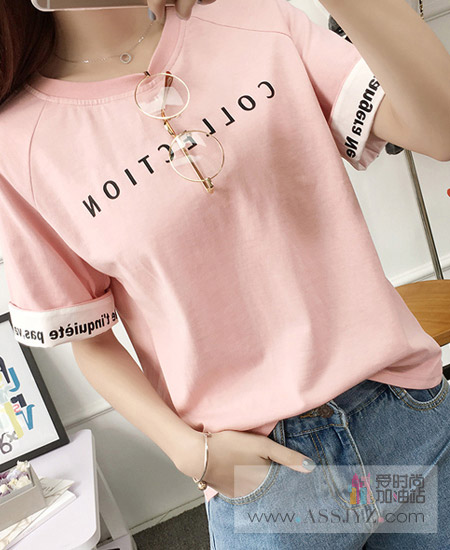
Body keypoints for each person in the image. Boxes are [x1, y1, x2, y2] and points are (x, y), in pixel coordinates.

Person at [0, 0, 449, 548]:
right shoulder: (19, 143)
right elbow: (90, 340)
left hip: (402, 413)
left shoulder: (252, 18)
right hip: (267, 476)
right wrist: (192, 454)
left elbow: (441, 129)